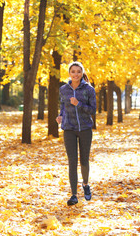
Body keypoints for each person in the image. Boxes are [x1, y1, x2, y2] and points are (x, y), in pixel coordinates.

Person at [56, 61, 97, 206]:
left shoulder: (89, 90)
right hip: (69, 129)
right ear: (69, 73)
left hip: (85, 129)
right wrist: (60, 116)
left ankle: (85, 184)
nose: (76, 74)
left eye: (78, 71)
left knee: (84, 160)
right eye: (73, 71)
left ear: (82, 73)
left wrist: (78, 104)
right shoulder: (63, 89)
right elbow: (62, 105)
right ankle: (73, 194)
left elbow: (93, 110)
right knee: (72, 161)